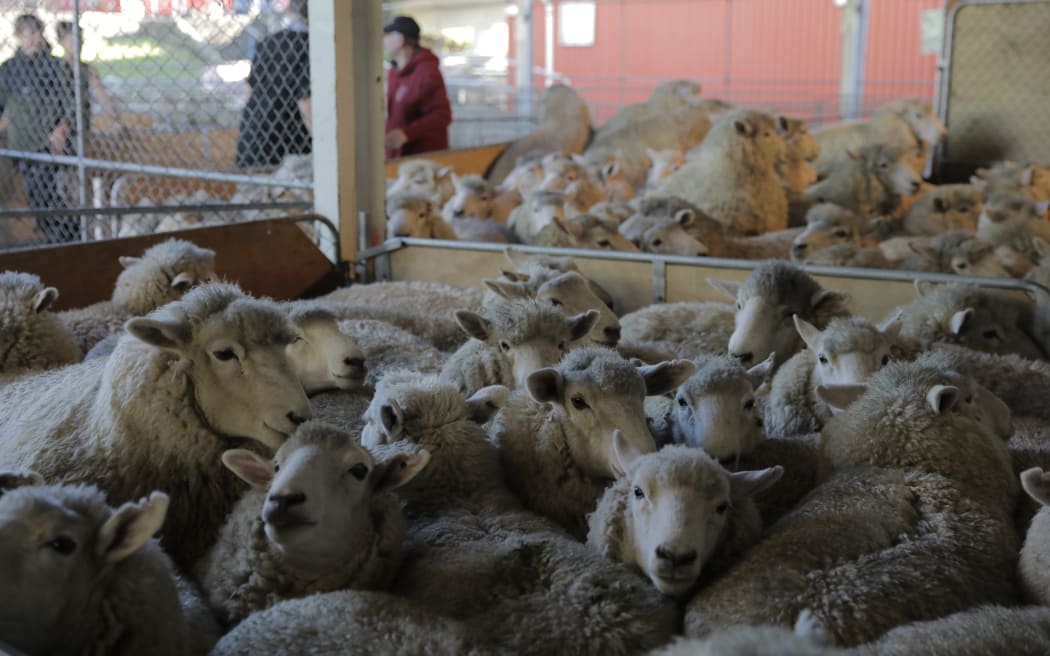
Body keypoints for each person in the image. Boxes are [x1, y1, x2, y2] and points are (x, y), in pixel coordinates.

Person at [0, 14, 77, 243]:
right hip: (21, 142)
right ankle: (54, 232)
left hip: (47, 141)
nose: (34, 38)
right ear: (18, 36)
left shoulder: (55, 66)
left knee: (47, 191)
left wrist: (61, 129)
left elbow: (69, 104)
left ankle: (65, 232)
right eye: (29, 33)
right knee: (35, 194)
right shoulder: (9, 69)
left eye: (37, 32)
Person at [235, 0, 311, 169]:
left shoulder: (267, 42)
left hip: (253, 138)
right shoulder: (311, 46)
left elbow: (249, 91)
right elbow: (305, 101)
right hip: (290, 147)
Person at [383, 15, 452, 160]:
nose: (384, 41)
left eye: (388, 36)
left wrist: (407, 133)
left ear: (400, 40)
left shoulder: (426, 72)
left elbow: (442, 115)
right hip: (400, 158)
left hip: (422, 164)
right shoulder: (394, 72)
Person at [56, 21, 121, 131]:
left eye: (80, 40)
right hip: (57, 122)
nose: (78, 45)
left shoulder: (87, 69)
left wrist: (115, 118)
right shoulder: (54, 67)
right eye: (72, 41)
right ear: (61, 42)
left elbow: (102, 95)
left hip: (80, 123)